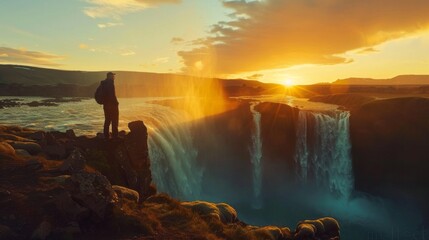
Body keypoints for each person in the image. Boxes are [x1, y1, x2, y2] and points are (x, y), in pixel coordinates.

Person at [102, 72, 119, 139]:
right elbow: (112, 95)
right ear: (109, 76)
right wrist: (116, 103)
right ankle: (115, 136)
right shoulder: (110, 83)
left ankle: (106, 135)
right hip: (112, 106)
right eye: (113, 76)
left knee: (107, 120)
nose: (114, 77)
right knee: (114, 120)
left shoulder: (104, 83)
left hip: (106, 105)